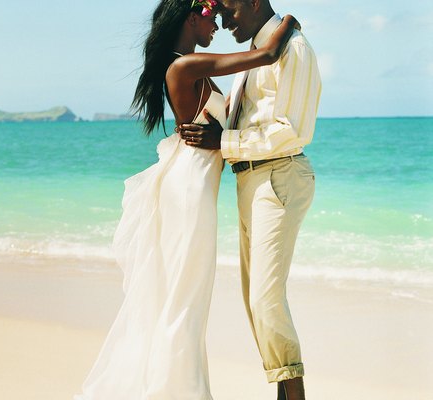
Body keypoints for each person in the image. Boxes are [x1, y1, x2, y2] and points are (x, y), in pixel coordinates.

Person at [73, 0, 298, 398]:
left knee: (188, 299)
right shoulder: (184, 67)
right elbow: (266, 53)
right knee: (185, 300)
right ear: (191, 18)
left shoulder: (192, 68)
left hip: (195, 189)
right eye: (211, 18)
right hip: (189, 193)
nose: (218, 25)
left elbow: (227, 115)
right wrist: (290, 20)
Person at [178, 0, 322, 398]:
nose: (223, 23)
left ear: (254, 3)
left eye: (228, 13)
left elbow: (292, 130)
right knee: (253, 301)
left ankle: (294, 396)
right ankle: (283, 391)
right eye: (217, 15)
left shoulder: (294, 49)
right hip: (251, 180)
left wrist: (222, 141)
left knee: (264, 298)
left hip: (278, 174)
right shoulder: (258, 52)